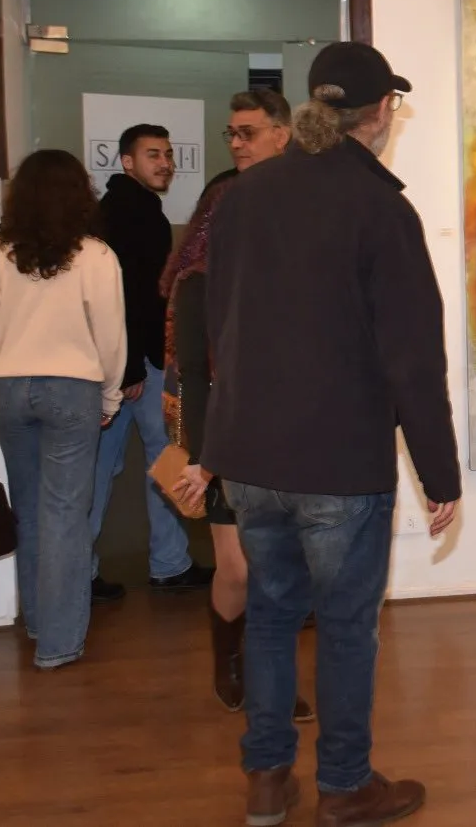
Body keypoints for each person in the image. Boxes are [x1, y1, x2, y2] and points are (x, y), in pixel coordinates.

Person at [205, 42, 461, 827]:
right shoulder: (380, 208)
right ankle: (344, 785)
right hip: (339, 461)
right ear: (380, 113)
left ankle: (266, 779)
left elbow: (219, 326)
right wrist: (440, 474)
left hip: (252, 455)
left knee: (272, 615)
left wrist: (220, 438)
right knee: (346, 629)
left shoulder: (243, 197)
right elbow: (412, 356)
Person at [0, 149, 127, 670]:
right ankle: (58, 644)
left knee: (31, 510)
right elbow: (111, 337)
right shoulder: (96, 255)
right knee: (66, 516)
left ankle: (38, 623)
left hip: (9, 391)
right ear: (80, 195)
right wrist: (111, 395)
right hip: (72, 390)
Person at [165, 131, 313, 723]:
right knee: (238, 569)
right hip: (223, 444)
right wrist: (204, 460)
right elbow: (194, 379)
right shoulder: (199, 284)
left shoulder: (289, 275)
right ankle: (228, 661)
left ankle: (271, 677)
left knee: (280, 572)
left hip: (286, 441)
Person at [89, 123, 212, 601]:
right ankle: (169, 564)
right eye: (152, 155)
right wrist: (133, 370)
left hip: (121, 365)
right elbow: (128, 298)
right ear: (127, 162)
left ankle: (85, 571)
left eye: (167, 154)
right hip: (136, 366)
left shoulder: (121, 210)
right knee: (168, 458)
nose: (165, 163)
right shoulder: (132, 214)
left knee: (105, 467)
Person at [225, 88, 293, 171]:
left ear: (280, 138)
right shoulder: (224, 180)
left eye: (247, 133)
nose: (234, 144)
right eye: (232, 134)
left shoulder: (304, 177)